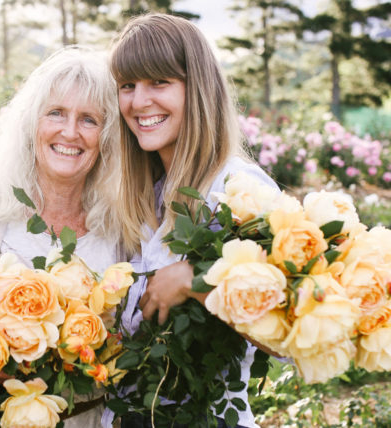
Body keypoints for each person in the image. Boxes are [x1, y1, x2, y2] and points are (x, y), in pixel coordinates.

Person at [0, 46, 125, 427]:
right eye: (56, 113)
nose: (70, 132)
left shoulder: (121, 223)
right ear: (30, 122)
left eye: (89, 119)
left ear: (108, 136)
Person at [109, 13, 280, 428]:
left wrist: (196, 280)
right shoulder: (145, 194)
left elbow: (287, 334)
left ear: (198, 88)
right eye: (128, 86)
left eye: (159, 82)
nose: (138, 101)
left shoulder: (239, 189)